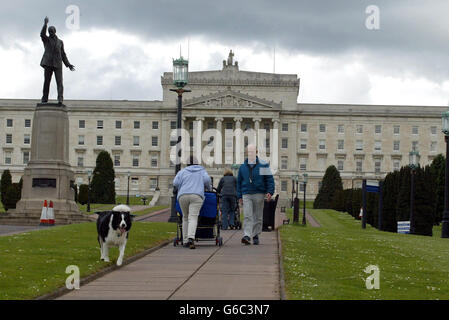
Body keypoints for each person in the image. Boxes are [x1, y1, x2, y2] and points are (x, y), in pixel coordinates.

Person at [237, 144, 275, 245]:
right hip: (246, 194)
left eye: (252, 152)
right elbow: (239, 182)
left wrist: (270, 192)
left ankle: (255, 234)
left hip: (259, 193)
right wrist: (239, 196)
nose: (250, 154)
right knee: (247, 215)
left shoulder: (263, 165)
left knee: (257, 216)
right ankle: (247, 235)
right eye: (249, 152)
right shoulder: (243, 167)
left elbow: (269, 179)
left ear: (256, 152)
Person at [173, 156, 211, 249]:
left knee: (185, 217)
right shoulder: (202, 171)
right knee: (193, 217)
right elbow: (207, 181)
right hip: (196, 195)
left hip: (183, 195)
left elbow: (175, 183)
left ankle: (185, 240)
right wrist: (208, 188)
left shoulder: (182, 172)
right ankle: (191, 238)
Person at [40, 16, 75, 104]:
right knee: (46, 82)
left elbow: (63, 54)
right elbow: (42, 34)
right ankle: (44, 98)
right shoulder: (46, 40)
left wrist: (68, 64)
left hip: (57, 64)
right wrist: (45, 24)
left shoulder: (60, 42)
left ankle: (60, 99)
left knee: (60, 82)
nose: (50, 33)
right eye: (49, 31)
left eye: (52, 31)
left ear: (55, 32)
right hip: (48, 63)